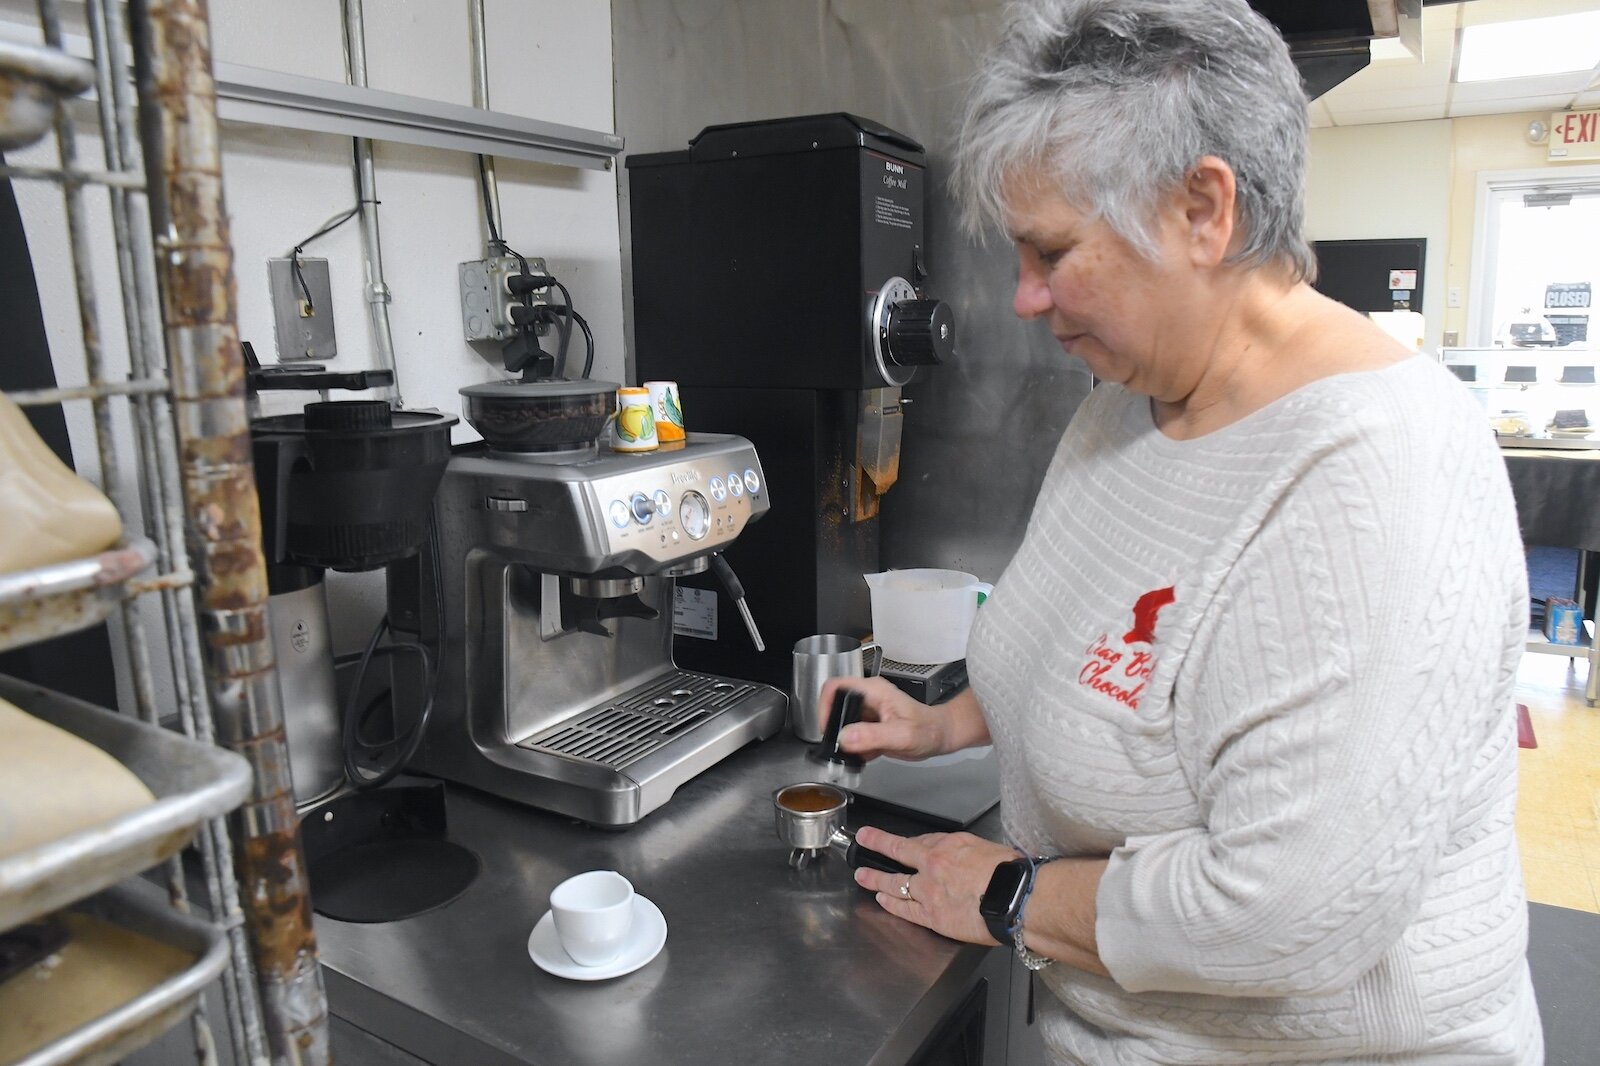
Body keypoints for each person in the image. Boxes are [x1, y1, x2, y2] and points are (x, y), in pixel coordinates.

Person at [822, 1, 1543, 1062]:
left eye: (1052, 251)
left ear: (1203, 209)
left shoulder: (1379, 473)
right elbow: (1110, 645)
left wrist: (1013, 893)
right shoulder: (1131, 396)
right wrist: (948, 724)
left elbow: (1285, 913)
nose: (1024, 297)